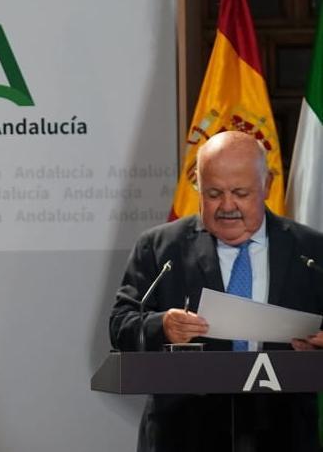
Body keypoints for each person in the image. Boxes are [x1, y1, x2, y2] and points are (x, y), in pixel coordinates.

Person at [109, 131, 323, 452]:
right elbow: (121, 326)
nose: (227, 206)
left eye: (240, 192)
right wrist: (162, 326)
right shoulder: (159, 248)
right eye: (213, 193)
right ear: (197, 186)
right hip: (184, 434)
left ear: (266, 185)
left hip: (283, 431)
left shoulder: (311, 250)